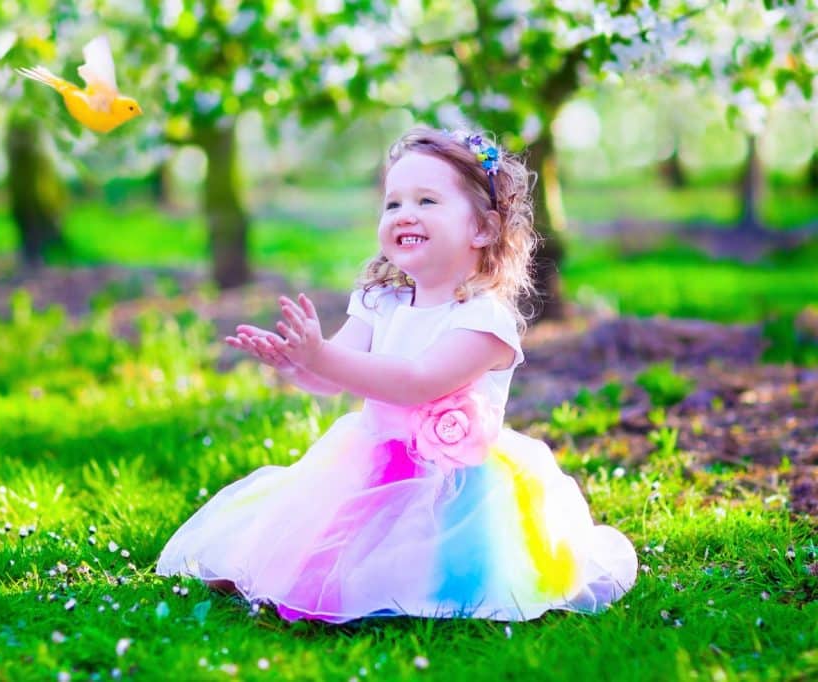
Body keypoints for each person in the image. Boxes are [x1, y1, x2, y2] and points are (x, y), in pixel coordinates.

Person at [156, 126, 638, 623]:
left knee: (420, 570)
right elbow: (334, 377)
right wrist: (298, 363)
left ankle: (400, 589)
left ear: (484, 230)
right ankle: (272, 570)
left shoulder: (484, 320)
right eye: (393, 204)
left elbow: (416, 381)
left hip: (454, 485)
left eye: (428, 201)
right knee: (312, 547)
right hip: (368, 459)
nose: (405, 214)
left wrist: (320, 356)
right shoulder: (379, 300)